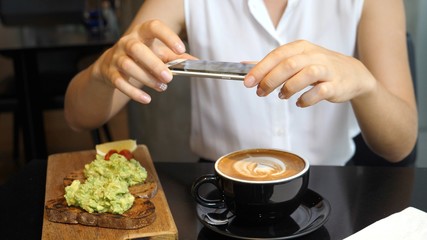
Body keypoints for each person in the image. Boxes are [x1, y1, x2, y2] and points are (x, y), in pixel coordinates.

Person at [64, 0, 418, 165]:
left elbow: (399, 145)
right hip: (219, 191)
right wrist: (104, 71)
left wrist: (364, 82)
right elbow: (79, 116)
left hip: (334, 185)